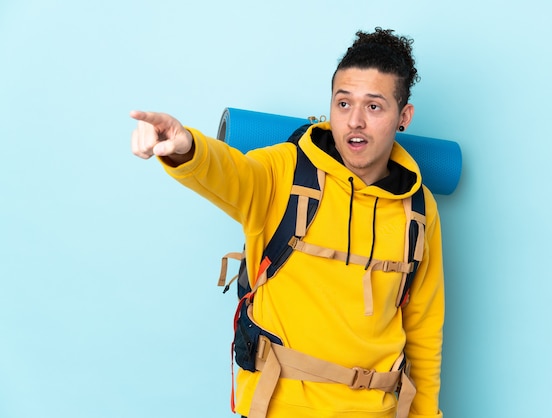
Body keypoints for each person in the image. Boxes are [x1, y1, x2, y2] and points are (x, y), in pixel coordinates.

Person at [130, 27, 445, 418]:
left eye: (375, 107)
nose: (355, 122)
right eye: (343, 104)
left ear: (404, 117)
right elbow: (231, 174)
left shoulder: (419, 209)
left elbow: (423, 332)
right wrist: (186, 147)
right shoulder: (285, 171)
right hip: (278, 407)